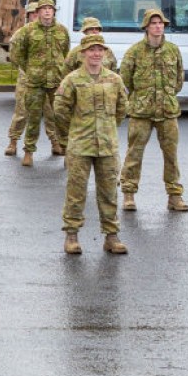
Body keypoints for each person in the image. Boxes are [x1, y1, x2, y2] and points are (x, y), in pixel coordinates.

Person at [55, 33, 129, 255]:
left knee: (108, 192)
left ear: (104, 53)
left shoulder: (114, 80)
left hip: (107, 146)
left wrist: (107, 128)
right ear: (83, 53)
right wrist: (74, 133)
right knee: (76, 192)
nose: (96, 53)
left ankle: (111, 236)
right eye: (92, 49)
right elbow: (60, 111)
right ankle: (71, 235)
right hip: (80, 145)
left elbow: (121, 109)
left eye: (100, 50)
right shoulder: (73, 80)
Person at [120, 8, 188, 213]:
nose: (158, 27)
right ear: (146, 27)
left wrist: (166, 95)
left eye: (161, 23)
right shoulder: (134, 51)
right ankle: (129, 193)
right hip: (141, 112)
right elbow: (124, 81)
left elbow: (179, 79)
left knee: (171, 155)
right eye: (154, 23)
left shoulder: (172, 50)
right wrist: (141, 98)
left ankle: (174, 196)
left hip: (167, 111)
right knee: (134, 153)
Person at [9, 0, 71, 167]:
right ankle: (28, 151)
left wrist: (60, 71)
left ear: (53, 11)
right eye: (43, 9)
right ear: (38, 12)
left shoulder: (61, 30)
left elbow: (65, 52)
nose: (47, 11)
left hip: (56, 81)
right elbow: (16, 53)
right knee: (33, 118)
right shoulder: (27, 31)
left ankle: (66, 151)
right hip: (35, 82)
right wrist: (29, 68)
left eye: (50, 9)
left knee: (61, 117)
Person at [4, 1, 39, 157]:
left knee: (51, 114)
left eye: (39, 13)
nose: (36, 16)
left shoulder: (52, 32)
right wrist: (28, 68)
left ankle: (56, 142)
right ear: (29, 16)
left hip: (47, 80)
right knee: (21, 111)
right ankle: (13, 141)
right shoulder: (22, 33)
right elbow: (14, 54)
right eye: (33, 14)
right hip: (27, 78)